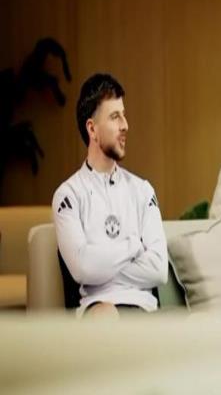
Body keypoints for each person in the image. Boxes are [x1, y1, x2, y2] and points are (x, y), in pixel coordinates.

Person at [52, 73, 168, 317]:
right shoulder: (68, 195)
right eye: (115, 117)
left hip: (144, 311)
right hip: (98, 310)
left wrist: (100, 267)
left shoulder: (143, 190)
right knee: (104, 314)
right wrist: (133, 245)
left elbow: (159, 270)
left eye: (123, 115)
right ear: (92, 129)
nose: (125, 125)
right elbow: (82, 269)